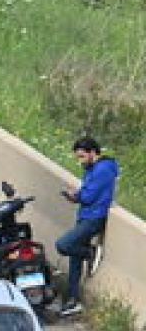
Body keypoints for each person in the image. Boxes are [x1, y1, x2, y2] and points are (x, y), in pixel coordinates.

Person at [57, 135, 119, 317]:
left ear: (93, 152)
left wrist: (75, 197)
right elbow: (86, 191)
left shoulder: (103, 170)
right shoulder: (91, 167)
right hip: (85, 215)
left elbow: (89, 197)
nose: (80, 161)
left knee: (64, 245)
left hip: (94, 218)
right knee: (74, 261)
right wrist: (77, 194)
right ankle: (72, 300)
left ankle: (90, 253)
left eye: (82, 156)